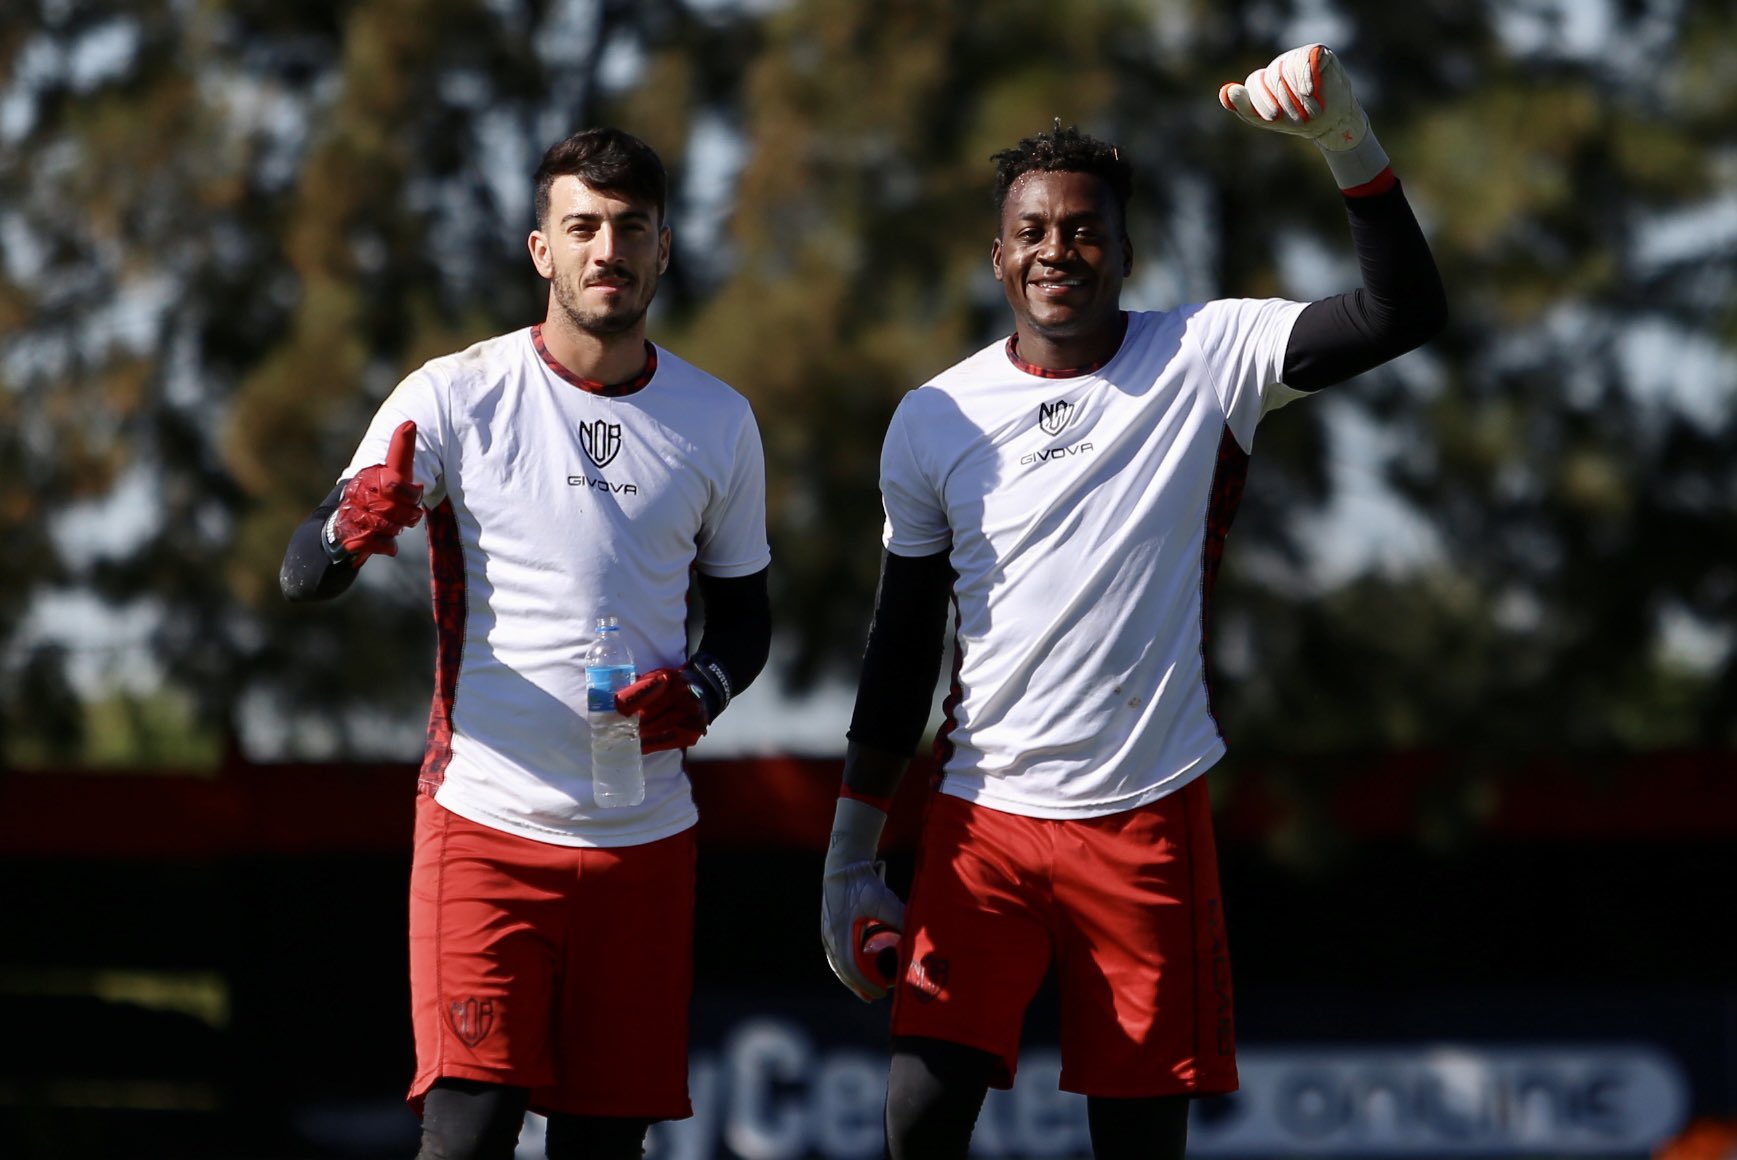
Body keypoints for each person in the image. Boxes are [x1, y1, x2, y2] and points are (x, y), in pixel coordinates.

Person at [820, 44, 1446, 1160]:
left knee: (1141, 1146)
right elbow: (903, 643)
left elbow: (1402, 310)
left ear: (1123, 246)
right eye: (1034, 229)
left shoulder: (1208, 354)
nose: (1059, 247)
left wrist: (1346, 139)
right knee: (918, 1121)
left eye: (1083, 227)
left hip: (1148, 816)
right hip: (982, 826)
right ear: (998, 251)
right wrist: (851, 855)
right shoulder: (934, 417)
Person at [280, 127, 771, 1160]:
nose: (608, 250)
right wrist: (348, 526)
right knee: (467, 1135)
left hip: (645, 838)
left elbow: (746, 620)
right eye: (582, 226)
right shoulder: (452, 394)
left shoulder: (719, 420)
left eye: (630, 228)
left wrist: (707, 687)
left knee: (605, 1145)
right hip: (485, 823)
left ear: (663, 248)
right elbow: (303, 570)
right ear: (540, 249)